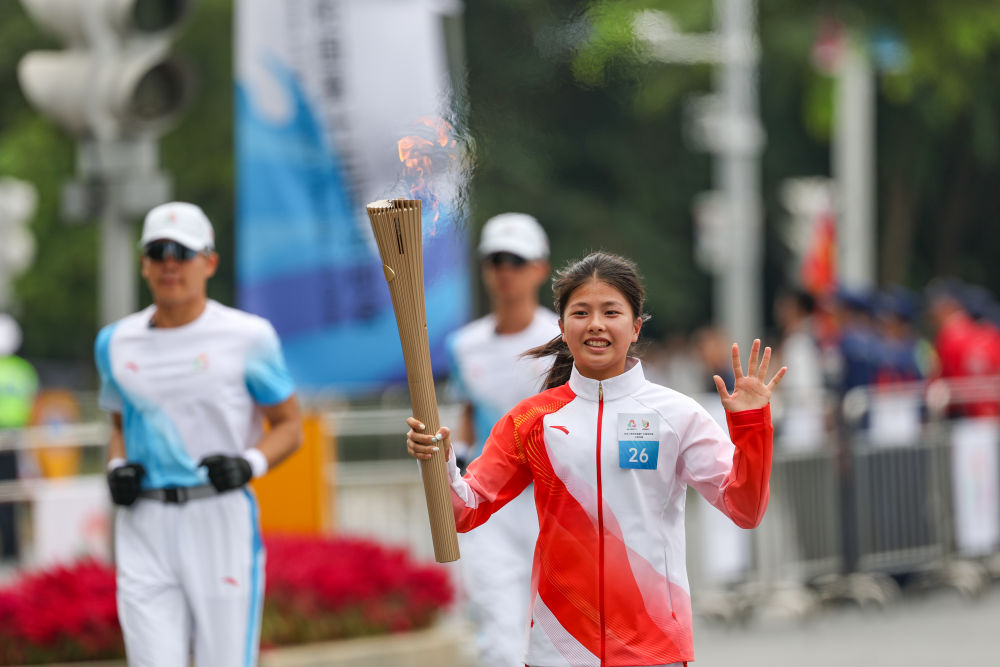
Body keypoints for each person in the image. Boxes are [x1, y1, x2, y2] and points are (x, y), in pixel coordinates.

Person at [408, 252, 784, 667]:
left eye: (611, 312)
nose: (596, 324)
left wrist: (751, 426)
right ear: (562, 327)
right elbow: (464, 511)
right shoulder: (532, 420)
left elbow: (745, 508)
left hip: (653, 648)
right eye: (581, 312)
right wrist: (438, 461)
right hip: (560, 648)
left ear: (636, 326)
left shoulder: (676, 415)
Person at [94, 202, 302, 667]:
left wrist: (248, 464)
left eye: (183, 252)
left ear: (209, 262)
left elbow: (290, 426)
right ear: (144, 263)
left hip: (218, 515)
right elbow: (118, 425)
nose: (170, 263)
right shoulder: (114, 342)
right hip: (144, 521)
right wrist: (116, 466)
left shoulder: (248, 336)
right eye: (159, 251)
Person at [445, 212, 559, 666]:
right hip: (491, 503)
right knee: (500, 639)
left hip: (553, 502)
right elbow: (468, 414)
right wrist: (453, 466)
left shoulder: (562, 338)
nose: (505, 271)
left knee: (555, 634)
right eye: (496, 260)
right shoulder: (464, 345)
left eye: (516, 260)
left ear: (540, 268)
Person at [0, 314, 38, 561]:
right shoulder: (24, 370)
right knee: (11, 494)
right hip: (17, 439)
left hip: (12, 437)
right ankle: (12, 551)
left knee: (10, 493)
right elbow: (32, 404)